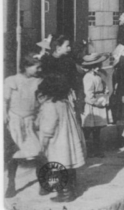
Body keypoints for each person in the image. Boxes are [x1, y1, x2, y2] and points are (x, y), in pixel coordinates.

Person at [37, 71, 87, 202]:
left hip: (56, 142)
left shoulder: (49, 105)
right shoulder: (65, 103)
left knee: (57, 169)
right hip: (67, 141)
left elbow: (48, 128)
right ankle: (71, 190)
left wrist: (43, 144)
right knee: (68, 167)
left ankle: (65, 194)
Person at [4, 53, 46, 199]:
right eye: (36, 67)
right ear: (26, 67)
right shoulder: (12, 80)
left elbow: (41, 101)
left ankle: (43, 183)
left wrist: (40, 117)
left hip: (30, 122)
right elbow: (4, 100)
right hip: (15, 122)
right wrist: (4, 116)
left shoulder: (38, 81)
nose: (39, 70)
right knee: (13, 155)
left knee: (39, 153)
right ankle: (11, 184)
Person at [80, 53, 110, 158]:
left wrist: (105, 91)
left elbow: (103, 85)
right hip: (92, 105)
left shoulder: (98, 75)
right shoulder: (88, 77)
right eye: (96, 65)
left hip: (99, 101)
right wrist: (95, 102)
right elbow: (88, 93)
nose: (99, 67)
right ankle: (84, 149)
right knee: (88, 129)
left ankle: (97, 149)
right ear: (91, 67)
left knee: (97, 129)